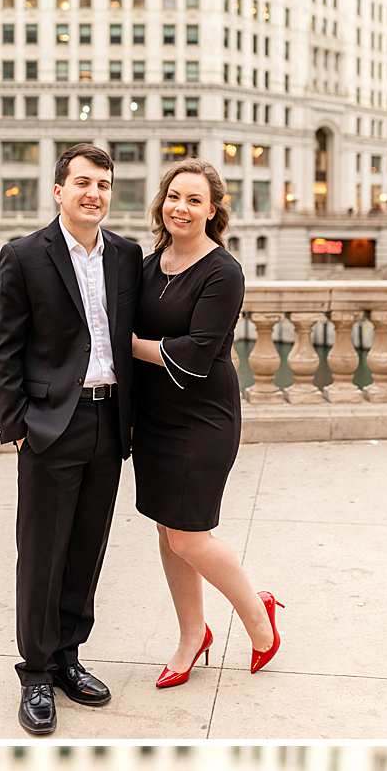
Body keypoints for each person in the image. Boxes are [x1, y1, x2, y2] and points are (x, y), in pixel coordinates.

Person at [0, 144, 143, 737]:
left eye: (102, 184)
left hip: (109, 421)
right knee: (43, 553)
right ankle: (36, 674)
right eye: (82, 182)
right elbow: (1, 348)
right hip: (51, 425)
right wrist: (18, 428)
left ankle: (70, 657)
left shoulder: (127, 256)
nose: (93, 193)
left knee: (86, 548)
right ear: (58, 191)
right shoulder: (24, 255)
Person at [130, 161, 283, 687]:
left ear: (212, 210)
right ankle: (192, 634)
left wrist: (129, 347)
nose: (182, 207)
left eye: (195, 200)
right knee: (168, 533)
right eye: (174, 196)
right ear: (161, 203)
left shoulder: (224, 271)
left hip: (203, 419)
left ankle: (258, 617)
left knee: (191, 537)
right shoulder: (152, 264)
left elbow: (196, 355)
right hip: (154, 419)